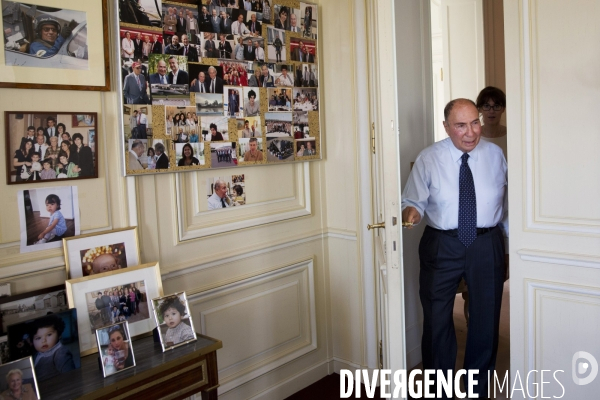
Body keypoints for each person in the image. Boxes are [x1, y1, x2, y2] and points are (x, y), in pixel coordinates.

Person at [401, 99, 507, 398]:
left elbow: (507, 202)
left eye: (475, 122)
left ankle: (477, 387)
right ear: (446, 127)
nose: (471, 132)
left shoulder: (496, 155)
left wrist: (512, 245)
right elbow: (412, 199)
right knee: (437, 319)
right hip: (442, 244)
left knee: (485, 318)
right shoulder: (429, 158)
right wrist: (412, 213)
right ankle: (440, 390)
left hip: (487, 243)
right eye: (461, 125)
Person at [28, 313, 76, 381]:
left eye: (49, 335)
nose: (43, 340)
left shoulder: (60, 354)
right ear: (32, 342)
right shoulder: (39, 353)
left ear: (59, 334)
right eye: (38, 338)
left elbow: (71, 376)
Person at [477, 86, 507, 158]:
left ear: (503, 109)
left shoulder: (511, 136)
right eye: (486, 106)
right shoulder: (474, 136)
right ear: (480, 109)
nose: (491, 111)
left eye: (496, 106)